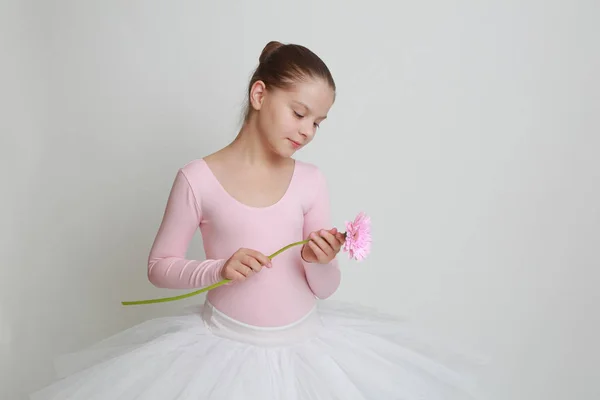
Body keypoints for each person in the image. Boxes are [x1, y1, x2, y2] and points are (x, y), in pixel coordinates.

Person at [30, 41, 486, 399]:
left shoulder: (311, 181)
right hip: (221, 352)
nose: (307, 131)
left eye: (319, 123)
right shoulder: (197, 179)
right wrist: (218, 269)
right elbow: (159, 265)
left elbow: (325, 288)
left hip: (308, 350)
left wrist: (318, 260)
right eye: (299, 113)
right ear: (259, 94)